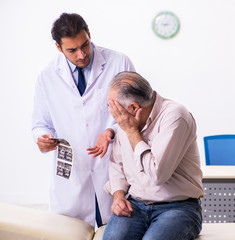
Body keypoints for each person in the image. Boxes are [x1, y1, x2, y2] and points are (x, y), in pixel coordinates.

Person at [31, 13, 135, 227]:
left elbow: (136, 112)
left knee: (116, 231)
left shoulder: (118, 62)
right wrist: (42, 138)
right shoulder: (47, 75)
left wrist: (111, 131)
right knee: (70, 231)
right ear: (59, 48)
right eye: (72, 50)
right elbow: (40, 124)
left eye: (85, 45)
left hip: (112, 167)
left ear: (89, 34)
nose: (81, 54)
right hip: (72, 175)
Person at [102, 72, 204, 240]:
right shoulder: (125, 119)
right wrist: (118, 196)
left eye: (113, 106)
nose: (112, 112)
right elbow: (117, 165)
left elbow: (157, 175)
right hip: (135, 204)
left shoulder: (175, 116)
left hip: (178, 207)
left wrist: (132, 131)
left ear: (133, 108)